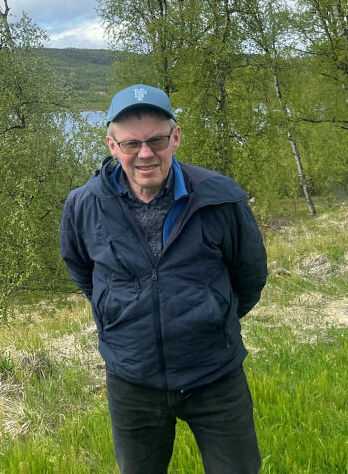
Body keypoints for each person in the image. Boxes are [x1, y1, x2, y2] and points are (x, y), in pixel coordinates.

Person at [60, 84, 267, 474]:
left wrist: (212, 317)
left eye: (156, 139)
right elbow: (81, 269)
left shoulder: (219, 198)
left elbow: (250, 275)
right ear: (111, 144)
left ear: (175, 136)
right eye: (130, 144)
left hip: (214, 374)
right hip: (132, 379)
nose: (145, 154)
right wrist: (119, 317)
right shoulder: (84, 204)